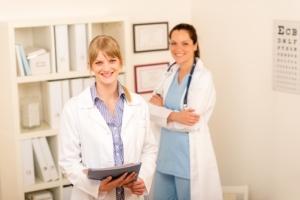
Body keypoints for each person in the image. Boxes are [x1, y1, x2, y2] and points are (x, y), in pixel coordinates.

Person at [59, 35, 157, 200]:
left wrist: (142, 179)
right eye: (99, 62)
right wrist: (97, 186)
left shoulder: (139, 104)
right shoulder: (73, 108)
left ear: (120, 63)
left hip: (130, 195)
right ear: (90, 67)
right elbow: (68, 162)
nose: (106, 68)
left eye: (112, 60)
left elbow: (150, 149)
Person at [149, 23, 223, 200]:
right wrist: (175, 115)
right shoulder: (168, 73)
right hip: (164, 157)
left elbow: (190, 122)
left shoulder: (203, 77)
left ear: (195, 45)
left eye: (185, 43)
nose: (178, 49)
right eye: (173, 43)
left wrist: (162, 112)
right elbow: (150, 110)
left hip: (188, 160)